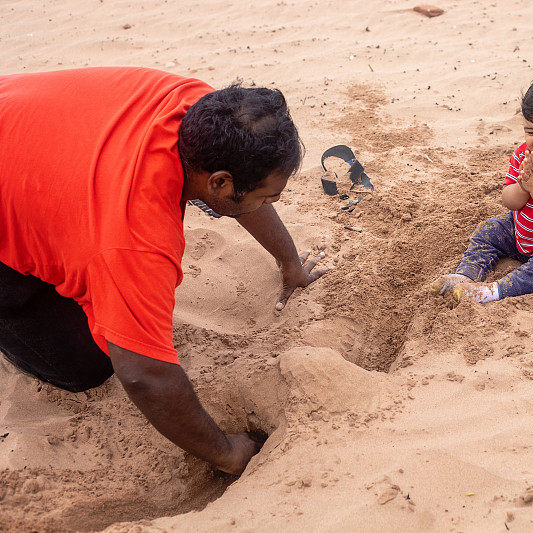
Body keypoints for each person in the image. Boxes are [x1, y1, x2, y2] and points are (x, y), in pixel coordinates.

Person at [0, 67, 331, 475]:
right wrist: (227, 453)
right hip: (25, 165)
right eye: (270, 194)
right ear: (219, 184)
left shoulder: (207, 114)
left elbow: (247, 196)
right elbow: (142, 374)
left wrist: (290, 265)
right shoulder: (136, 238)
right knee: (86, 367)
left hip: (17, 119)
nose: (273, 201)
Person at [431, 71, 533, 303]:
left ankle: (494, 291)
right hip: (522, 231)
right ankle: (466, 274)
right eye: (531, 131)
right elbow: (510, 202)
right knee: (487, 232)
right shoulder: (525, 154)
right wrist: (523, 186)